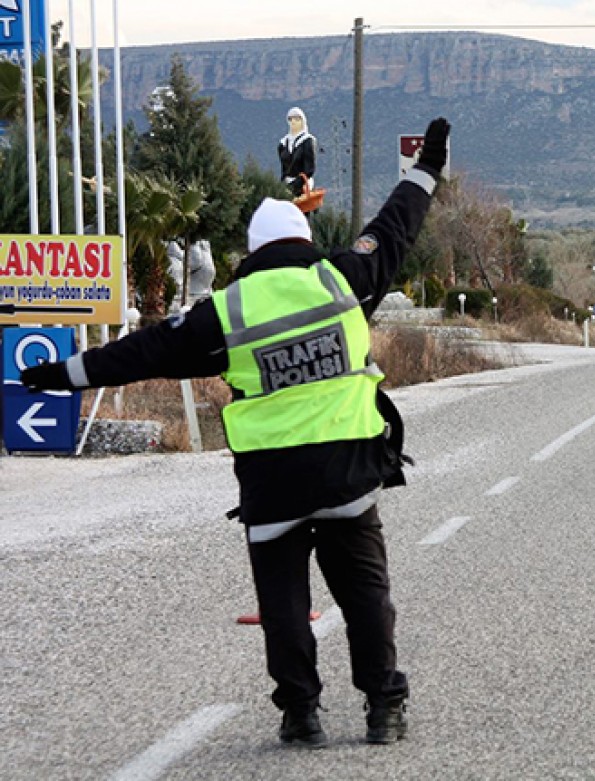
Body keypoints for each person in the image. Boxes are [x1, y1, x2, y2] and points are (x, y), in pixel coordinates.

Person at [21, 118, 452, 749]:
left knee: (282, 604)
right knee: (365, 595)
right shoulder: (344, 281)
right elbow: (396, 224)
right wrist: (427, 168)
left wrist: (60, 373)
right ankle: (383, 707)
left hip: (271, 481)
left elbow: (142, 353)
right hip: (347, 473)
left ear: (251, 253)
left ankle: (300, 714)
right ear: (305, 240)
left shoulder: (225, 313)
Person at [278, 106, 317, 198]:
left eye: (297, 119)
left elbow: (309, 169)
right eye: (290, 119)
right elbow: (284, 169)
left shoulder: (307, 141)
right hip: (286, 186)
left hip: (303, 185)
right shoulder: (283, 143)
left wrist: (296, 185)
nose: (293, 122)